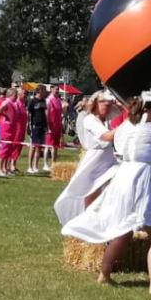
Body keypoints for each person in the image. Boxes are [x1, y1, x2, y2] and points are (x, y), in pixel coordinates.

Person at [62, 92, 151, 296]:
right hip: (139, 183)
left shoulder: (124, 127)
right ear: (147, 110)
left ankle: (104, 274)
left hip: (122, 180)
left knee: (123, 231)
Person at [53, 91, 118, 225]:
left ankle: (103, 218)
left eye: (110, 106)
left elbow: (124, 109)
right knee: (89, 189)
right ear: (96, 104)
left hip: (107, 158)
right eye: (106, 105)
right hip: (94, 159)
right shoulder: (89, 119)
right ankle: (89, 219)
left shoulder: (106, 117)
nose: (109, 109)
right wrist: (127, 125)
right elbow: (107, 136)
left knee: (115, 184)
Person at [27, 85, 49, 174]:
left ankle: (35, 166)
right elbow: (28, 113)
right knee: (33, 146)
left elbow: (45, 114)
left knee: (39, 147)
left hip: (42, 125)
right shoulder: (32, 101)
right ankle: (29, 166)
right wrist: (28, 125)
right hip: (34, 125)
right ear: (39, 91)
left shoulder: (44, 101)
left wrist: (47, 126)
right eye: (44, 91)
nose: (45, 93)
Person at [0, 88, 16, 176]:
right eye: (15, 95)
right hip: (6, 127)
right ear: (11, 95)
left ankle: (4, 168)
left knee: (9, 148)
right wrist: (5, 116)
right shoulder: (6, 102)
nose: (16, 97)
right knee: (4, 148)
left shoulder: (11, 103)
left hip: (11, 126)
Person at [46, 85, 64, 166]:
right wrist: (48, 126)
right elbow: (46, 114)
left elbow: (61, 113)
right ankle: (46, 164)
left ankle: (54, 163)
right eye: (56, 89)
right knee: (48, 145)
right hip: (51, 125)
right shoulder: (48, 100)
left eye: (58, 89)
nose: (57, 91)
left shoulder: (58, 100)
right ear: (52, 90)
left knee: (56, 146)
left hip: (57, 125)